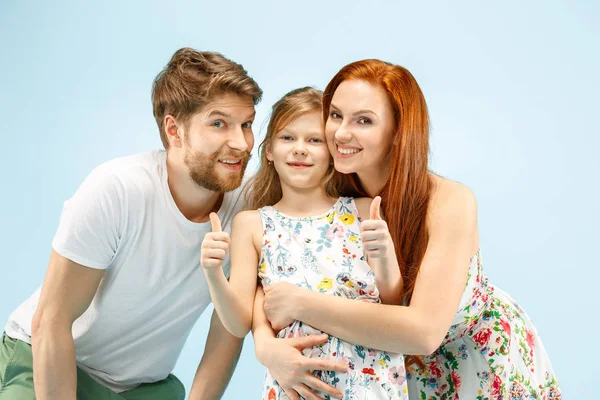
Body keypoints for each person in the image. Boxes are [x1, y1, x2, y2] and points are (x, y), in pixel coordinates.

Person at [253, 60, 562, 400]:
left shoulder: (449, 201)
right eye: (336, 115)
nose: (340, 133)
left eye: (364, 120)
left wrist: (301, 303)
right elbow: (265, 267)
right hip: (392, 374)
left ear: (399, 131)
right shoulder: (329, 192)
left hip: (481, 366)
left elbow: (424, 333)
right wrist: (266, 347)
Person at [0, 47, 262, 400]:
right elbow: (52, 322)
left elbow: (229, 328)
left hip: (142, 388)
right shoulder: (117, 189)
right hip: (45, 361)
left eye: (246, 124)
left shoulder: (249, 207)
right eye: (219, 124)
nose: (241, 143)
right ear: (174, 130)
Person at [200, 87, 409, 399]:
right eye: (288, 138)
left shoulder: (365, 211)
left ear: (332, 152)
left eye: (314, 140)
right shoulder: (252, 224)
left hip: (373, 386)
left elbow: (394, 304)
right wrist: (214, 273)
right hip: (295, 390)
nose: (300, 149)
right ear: (268, 149)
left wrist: (386, 257)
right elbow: (238, 323)